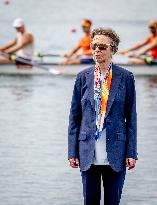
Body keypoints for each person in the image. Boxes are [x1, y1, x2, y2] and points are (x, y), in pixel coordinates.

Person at [68, 27, 137, 205]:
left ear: (112, 50)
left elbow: (131, 118)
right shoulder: (82, 77)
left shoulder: (126, 77)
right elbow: (74, 118)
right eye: (94, 46)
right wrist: (72, 152)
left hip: (116, 152)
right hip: (87, 151)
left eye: (102, 47)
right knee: (90, 201)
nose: (97, 50)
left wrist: (131, 152)